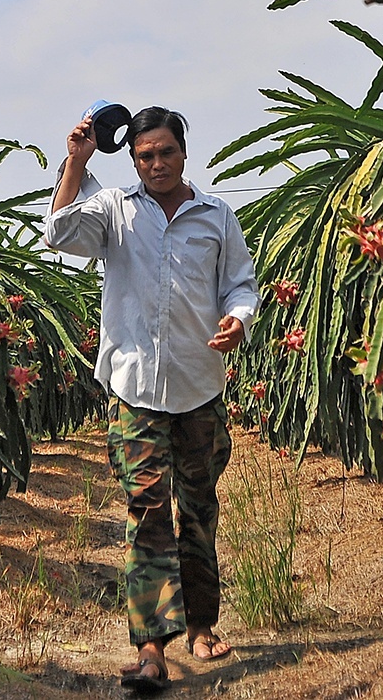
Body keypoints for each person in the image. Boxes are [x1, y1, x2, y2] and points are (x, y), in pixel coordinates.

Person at [45, 106, 259, 693]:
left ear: (183, 153)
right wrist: (76, 162)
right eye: (145, 156)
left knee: (198, 508)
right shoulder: (115, 210)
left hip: (198, 386)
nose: (156, 164)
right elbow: (58, 233)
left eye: (166, 152)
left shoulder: (216, 216)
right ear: (134, 160)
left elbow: (240, 285)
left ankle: (202, 624)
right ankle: (150, 647)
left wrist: (238, 319)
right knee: (147, 512)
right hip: (135, 389)